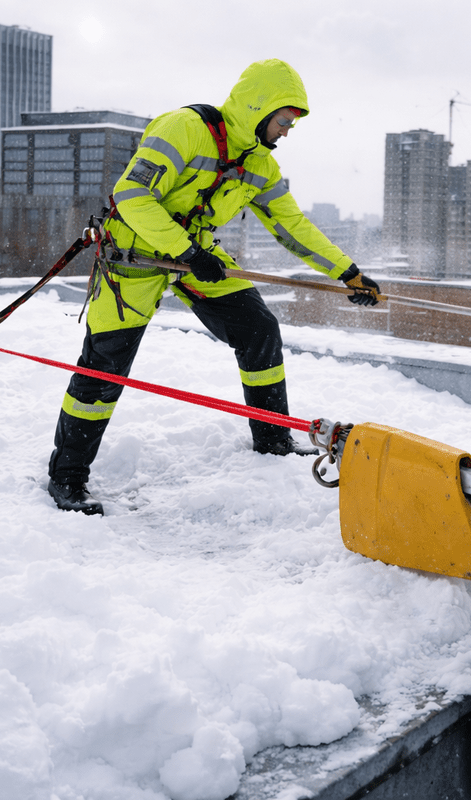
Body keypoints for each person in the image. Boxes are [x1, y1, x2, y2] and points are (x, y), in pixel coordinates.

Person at [46, 58, 380, 515]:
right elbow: (131, 195)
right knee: (105, 366)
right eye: (283, 121)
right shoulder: (183, 128)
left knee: (258, 327)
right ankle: (67, 476)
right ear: (259, 109)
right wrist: (186, 251)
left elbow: (291, 225)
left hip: (195, 257)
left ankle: (272, 437)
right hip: (134, 258)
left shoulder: (259, 165)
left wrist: (347, 273)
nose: (286, 132)